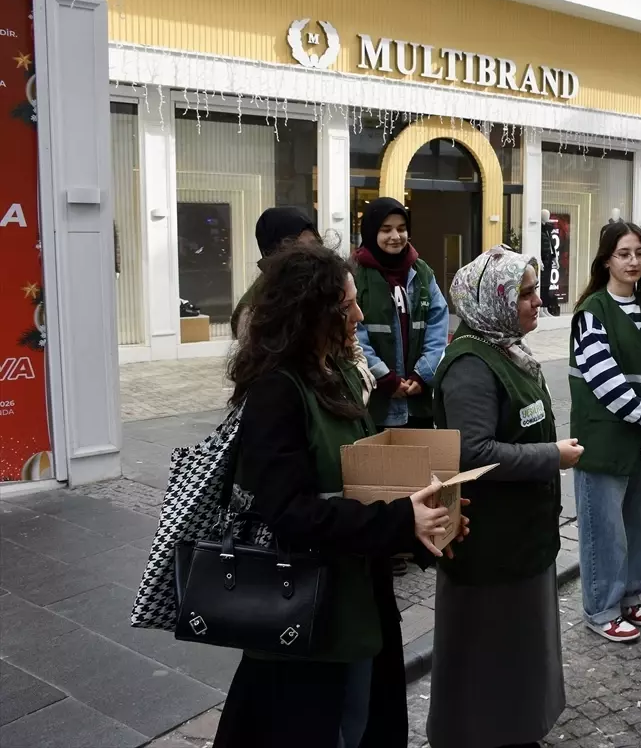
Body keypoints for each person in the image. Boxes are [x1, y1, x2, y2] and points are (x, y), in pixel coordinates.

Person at [215, 243, 456, 748]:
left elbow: (366, 482)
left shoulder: (339, 375)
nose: (360, 315)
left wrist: (428, 523)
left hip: (357, 602)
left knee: (363, 724)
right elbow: (289, 513)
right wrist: (400, 520)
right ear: (312, 314)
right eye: (348, 306)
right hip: (306, 615)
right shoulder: (277, 392)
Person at [427, 246, 582, 748]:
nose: (538, 302)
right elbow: (472, 453)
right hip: (489, 544)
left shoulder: (506, 349)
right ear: (493, 301)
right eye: (525, 294)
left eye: (535, 290)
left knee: (520, 646)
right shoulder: (471, 364)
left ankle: (516, 730)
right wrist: (551, 456)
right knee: (490, 651)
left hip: (519, 538)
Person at [570, 221, 641, 642]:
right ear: (606, 260)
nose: (633, 261)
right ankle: (602, 609)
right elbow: (604, 379)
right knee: (605, 531)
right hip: (606, 440)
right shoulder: (591, 312)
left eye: (640, 254)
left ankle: (631, 595)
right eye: (624, 254)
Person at [354, 197, 449, 429]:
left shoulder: (422, 271)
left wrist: (423, 374)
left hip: (418, 401)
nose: (396, 236)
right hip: (376, 404)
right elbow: (353, 333)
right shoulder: (356, 274)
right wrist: (384, 378)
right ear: (371, 232)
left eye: (401, 228)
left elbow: (438, 322)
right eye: (386, 229)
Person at [231, 206, 319, 337]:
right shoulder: (254, 310)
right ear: (274, 252)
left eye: (314, 245)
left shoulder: (320, 284)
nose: (310, 253)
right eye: (298, 247)